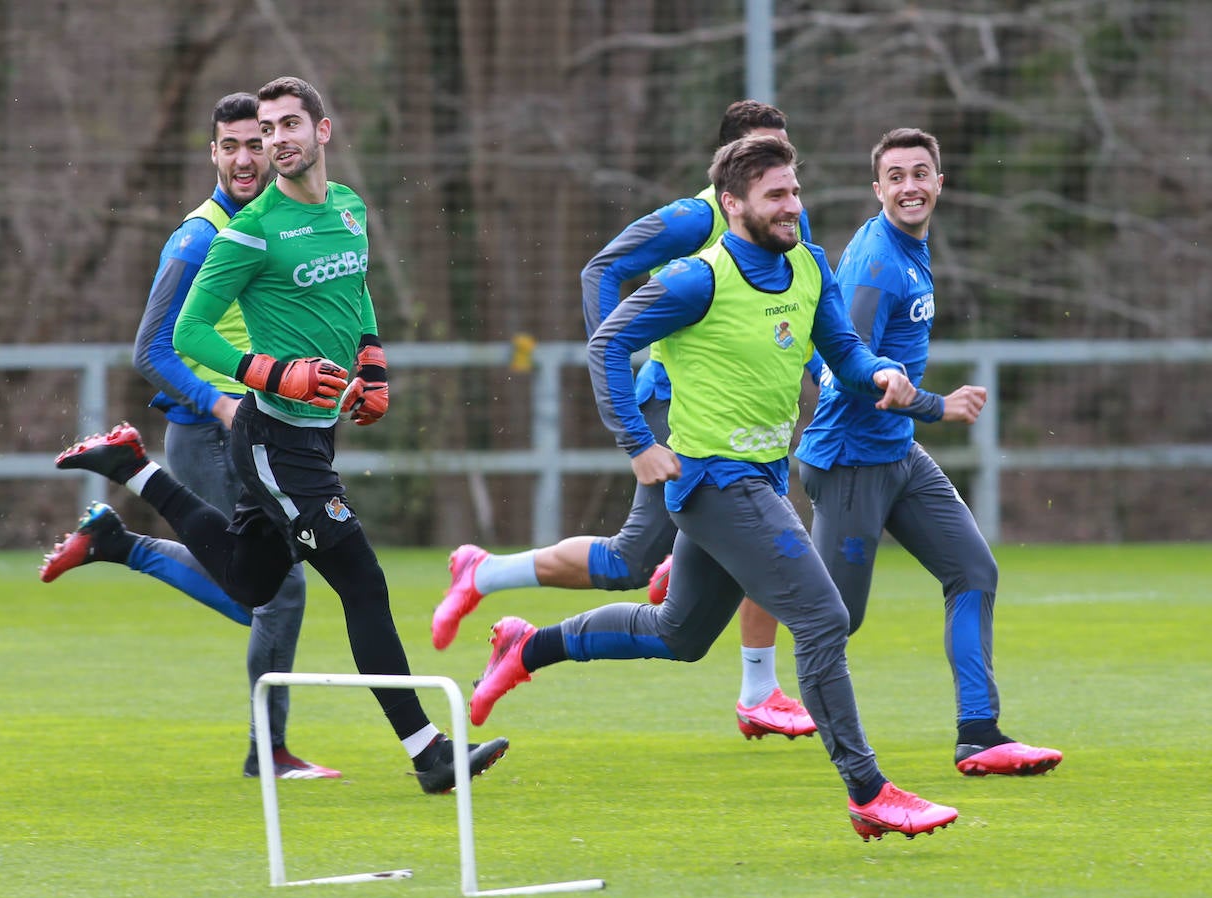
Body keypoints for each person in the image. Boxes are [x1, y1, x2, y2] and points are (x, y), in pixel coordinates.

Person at [467, 134, 960, 840]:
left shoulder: (809, 266)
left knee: (680, 635)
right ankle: (869, 792)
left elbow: (843, 355)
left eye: (795, 192)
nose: (793, 207)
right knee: (822, 618)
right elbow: (607, 342)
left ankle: (527, 647)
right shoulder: (697, 279)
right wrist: (638, 444)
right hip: (710, 483)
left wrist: (878, 373)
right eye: (776, 196)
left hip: (759, 476)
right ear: (733, 205)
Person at [55, 76, 507, 795]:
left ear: (322, 131)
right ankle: (429, 752)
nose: (275, 141)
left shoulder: (350, 208)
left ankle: (135, 483)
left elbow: (355, 288)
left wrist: (373, 362)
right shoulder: (245, 231)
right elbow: (183, 333)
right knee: (362, 579)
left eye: (288, 125)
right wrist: (270, 374)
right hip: (272, 440)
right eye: (265, 131)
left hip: (316, 434)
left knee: (251, 580)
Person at [432, 101, 815, 741]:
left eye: (781, 153)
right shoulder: (697, 218)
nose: (772, 167)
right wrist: (621, 380)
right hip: (680, 409)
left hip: (739, 425)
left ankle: (494, 582)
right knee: (644, 560)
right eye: (756, 153)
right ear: (727, 173)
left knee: (647, 565)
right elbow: (602, 270)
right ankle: (757, 688)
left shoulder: (787, 224)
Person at [40, 93, 340, 781]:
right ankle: (268, 755)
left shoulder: (275, 226)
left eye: (253, 144)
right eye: (228, 146)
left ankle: (119, 541)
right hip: (210, 436)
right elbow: (149, 351)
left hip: (261, 434)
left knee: (261, 592)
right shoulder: (198, 237)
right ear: (212, 153)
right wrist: (220, 403)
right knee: (275, 594)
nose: (243, 158)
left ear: (273, 147)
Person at [794, 127, 1063, 777]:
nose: (910, 186)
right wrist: (935, 404)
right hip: (852, 461)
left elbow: (825, 351)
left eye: (921, 173)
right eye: (897, 176)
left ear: (940, 183)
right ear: (878, 188)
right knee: (835, 620)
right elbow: (844, 370)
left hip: (897, 455)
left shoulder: (909, 245)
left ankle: (980, 734)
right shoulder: (878, 263)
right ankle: (721, 574)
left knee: (974, 573)